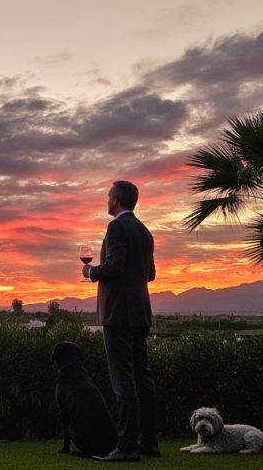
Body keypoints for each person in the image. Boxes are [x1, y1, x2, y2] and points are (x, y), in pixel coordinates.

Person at [82, 180, 160, 462]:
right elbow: (150, 274)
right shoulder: (144, 231)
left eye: (108, 196)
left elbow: (114, 267)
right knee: (142, 378)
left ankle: (126, 447)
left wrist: (91, 271)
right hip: (140, 312)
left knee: (122, 380)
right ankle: (148, 442)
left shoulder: (116, 227)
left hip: (118, 313)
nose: (106, 200)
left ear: (116, 199)